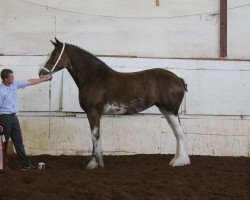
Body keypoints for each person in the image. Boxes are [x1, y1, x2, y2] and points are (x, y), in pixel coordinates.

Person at [0, 68, 52, 170]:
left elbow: (29, 82)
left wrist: (44, 79)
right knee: (3, 142)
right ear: (6, 79)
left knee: (18, 140)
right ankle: (2, 164)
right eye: (11, 77)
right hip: (4, 118)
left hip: (13, 117)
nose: (14, 78)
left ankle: (25, 164)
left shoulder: (14, 84)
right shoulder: (1, 91)